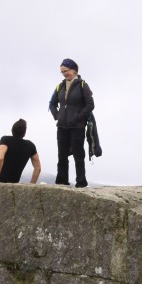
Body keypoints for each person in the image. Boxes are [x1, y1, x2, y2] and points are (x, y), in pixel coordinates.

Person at [48, 59, 94, 188]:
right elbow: (52, 103)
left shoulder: (83, 85)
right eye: (62, 72)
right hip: (62, 126)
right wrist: (57, 115)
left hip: (77, 126)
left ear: (74, 70)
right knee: (61, 155)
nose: (64, 74)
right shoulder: (60, 86)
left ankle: (81, 182)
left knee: (78, 155)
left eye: (66, 71)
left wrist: (78, 117)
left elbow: (90, 105)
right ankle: (62, 181)